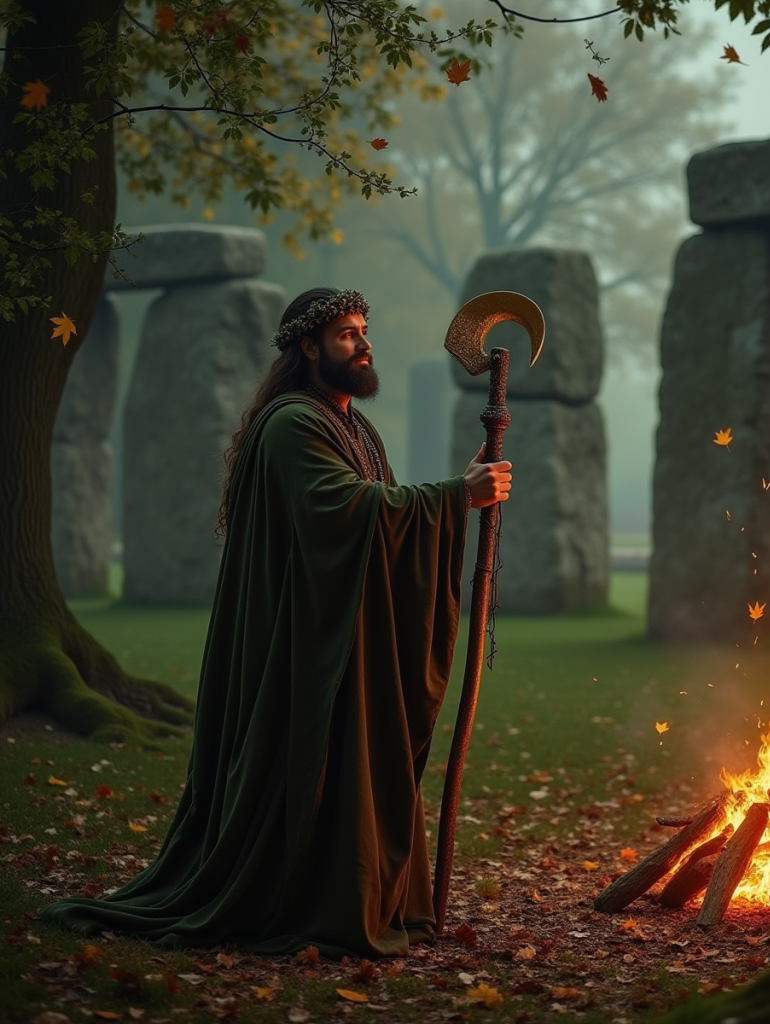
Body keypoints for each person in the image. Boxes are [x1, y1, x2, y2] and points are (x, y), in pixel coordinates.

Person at [43, 287, 512, 957]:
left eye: (363, 329)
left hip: (347, 633)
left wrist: (450, 497)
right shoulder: (294, 423)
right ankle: (308, 895)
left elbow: (382, 524)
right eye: (346, 333)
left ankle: (362, 891)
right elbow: (343, 512)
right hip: (301, 641)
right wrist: (454, 497)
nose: (363, 342)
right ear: (307, 346)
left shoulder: (355, 426)